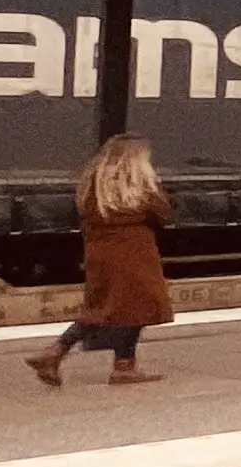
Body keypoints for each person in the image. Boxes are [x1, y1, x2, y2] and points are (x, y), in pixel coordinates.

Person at [29, 133, 174, 387]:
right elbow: (164, 214)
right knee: (139, 306)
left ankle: (56, 351)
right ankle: (123, 367)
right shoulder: (139, 183)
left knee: (102, 307)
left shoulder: (93, 182)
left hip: (99, 252)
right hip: (133, 253)